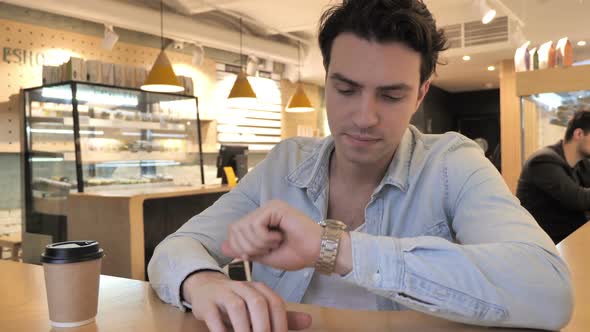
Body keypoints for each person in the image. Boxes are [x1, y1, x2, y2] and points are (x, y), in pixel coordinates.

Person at [149, 0, 573, 331]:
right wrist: (201, 283)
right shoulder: (284, 165)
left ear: (421, 94)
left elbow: (547, 290)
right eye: (346, 89)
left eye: (390, 96)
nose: (364, 116)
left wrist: (332, 249)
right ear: (328, 78)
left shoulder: (451, 164)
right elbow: (175, 249)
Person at [517, 110, 590, 244]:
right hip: (545, 246)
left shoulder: (582, 164)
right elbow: (579, 199)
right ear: (579, 134)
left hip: (571, 242)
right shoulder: (543, 161)